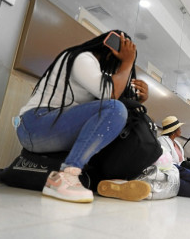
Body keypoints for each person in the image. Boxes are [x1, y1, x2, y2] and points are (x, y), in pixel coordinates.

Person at [14, 30, 144, 203]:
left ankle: (107, 177)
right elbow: (111, 94)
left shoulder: (97, 73)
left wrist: (140, 98)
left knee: (116, 118)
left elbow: (112, 97)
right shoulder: (82, 58)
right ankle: (66, 176)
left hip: (47, 129)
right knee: (115, 109)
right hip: (34, 125)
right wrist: (127, 63)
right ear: (110, 53)